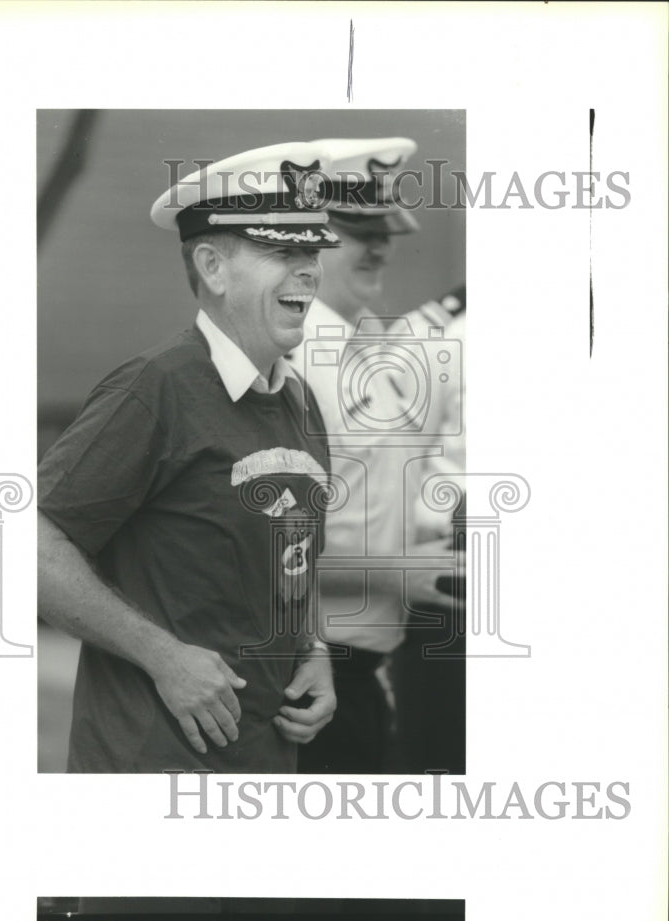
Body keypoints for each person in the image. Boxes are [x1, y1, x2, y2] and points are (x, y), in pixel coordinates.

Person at [37, 141, 339, 774]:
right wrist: (162, 655)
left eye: (311, 252)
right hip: (150, 771)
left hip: (265, 765)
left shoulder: (301, 400)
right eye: (283, 252)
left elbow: (287, 555)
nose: (309, 271)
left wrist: (312, 645)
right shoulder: (155, 387)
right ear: (213, 266)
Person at [286, 137, 465, 774]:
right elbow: (258, 540)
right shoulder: (290, 359)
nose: (382, 245)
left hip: (362, 671)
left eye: (386, 229)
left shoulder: (365, 345)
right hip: (305, 674)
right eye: (359, 230)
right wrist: (394, 572)